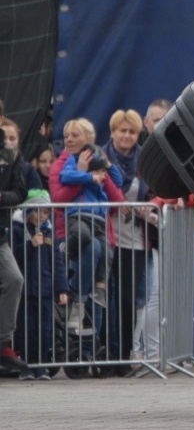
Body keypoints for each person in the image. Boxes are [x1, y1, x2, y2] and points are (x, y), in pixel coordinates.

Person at [51, 119, 125, 330]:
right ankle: (77, 300)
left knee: (101, 252)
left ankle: (92, 346)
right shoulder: (64, 163)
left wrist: (104, 168)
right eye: (66, 136)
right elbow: (58, 198)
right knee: (92, 245)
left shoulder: (99, 160)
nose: (69, 140)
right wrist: (84, 174)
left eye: (75, 135)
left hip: (100, 224)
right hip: (73, 230)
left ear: (90, 139)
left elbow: (118, 199)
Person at [103, 109, 151, 375]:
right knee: (105, 297)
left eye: (132, 131)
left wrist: (148, 206)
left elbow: (154, 193)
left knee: (127, 299)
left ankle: (122, 357)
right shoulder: (101, 157)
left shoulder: (144, 161)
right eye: (122, 130)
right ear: (112, 132)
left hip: (135, 241)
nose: (127, 136)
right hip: (107, 237)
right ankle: (104, 354)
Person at [12, 189, 69, 380]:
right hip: (25, 291)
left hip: (45, 289)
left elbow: (57, 262)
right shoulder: (17, 230)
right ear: (28, 210)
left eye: (45, 212)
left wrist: (62, 288)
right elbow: (13, 257)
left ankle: (42, 365)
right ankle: (26, 366)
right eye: (37, 211)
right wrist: (30, 245)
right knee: (26, 331)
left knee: (45, 330)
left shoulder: (49, 233)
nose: (41, 216)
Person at [0, 118, 29, 372]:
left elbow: (20, 192)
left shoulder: (11, 155)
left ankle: (3, 344)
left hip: (0, 235)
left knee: (14, 279)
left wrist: (1, 196)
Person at [2, 118, 43, 191]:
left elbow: (38, 195)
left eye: (12, 139)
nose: (7, 142)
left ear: (18, 141)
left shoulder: (28, 170)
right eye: (3, 138)